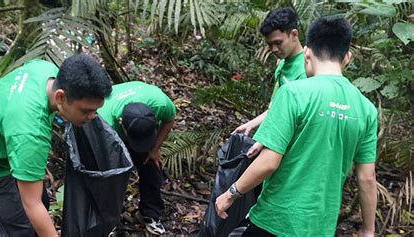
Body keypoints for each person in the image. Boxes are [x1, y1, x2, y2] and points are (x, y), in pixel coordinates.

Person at [215, 16, 378, 236]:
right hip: (320, 228)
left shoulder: (294, 93)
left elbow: (268, 163)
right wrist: (368, 230)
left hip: (275, 221)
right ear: (347, 57)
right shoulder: (367, 109)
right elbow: (367, 178)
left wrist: (230, 194)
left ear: (307, 52)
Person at [0, 54, 112, 236]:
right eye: (86, 111)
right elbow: (31, 204)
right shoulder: (30, 133)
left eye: (95, 110)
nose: (92, 117)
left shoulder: (45, 70)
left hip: (2, 138)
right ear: (60, 97)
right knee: (20, 230)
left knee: (40, 203)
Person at [97, 81, 176, 235]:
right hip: (112, 136)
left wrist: (154, 148)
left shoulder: (160, 103)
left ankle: (149, 214)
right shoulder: (102, 118)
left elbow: (169, 119)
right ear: (121, 123)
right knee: (110, 176)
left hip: (133, 127)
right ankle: (108, 220)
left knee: (152, 165)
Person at [233, 7, 306, 157]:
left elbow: (296, 119)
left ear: (294, 34)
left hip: (284, 149)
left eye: (278, 42)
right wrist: (250, 124)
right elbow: (276, 108)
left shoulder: (306, 69)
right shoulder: (282, 62)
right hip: (269, 140)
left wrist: (267, 141)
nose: (273, 49)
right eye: (269, 44)